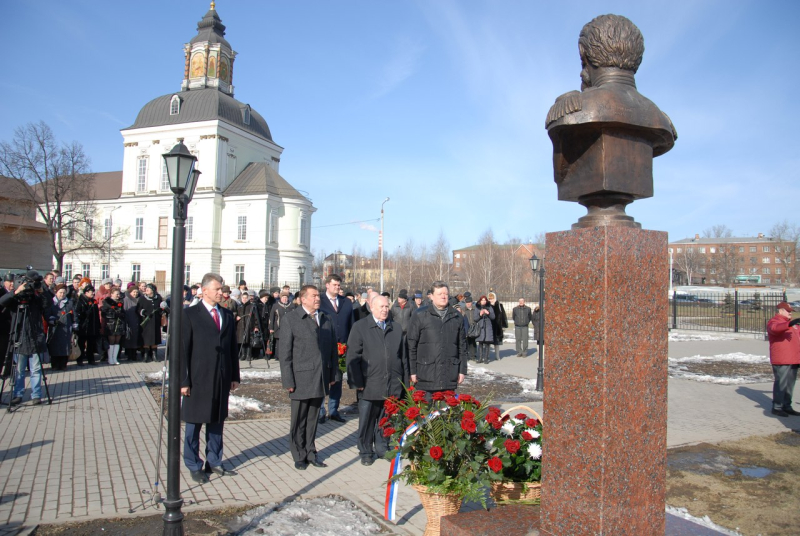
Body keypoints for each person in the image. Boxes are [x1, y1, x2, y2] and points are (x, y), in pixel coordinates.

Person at [180, 273, 240, 484]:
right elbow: (183, 350)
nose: (221, 292)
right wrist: (183, 381)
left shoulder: (227, 315)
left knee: (216, 421)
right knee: (194, 424)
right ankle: (193, 464)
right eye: (217, 289)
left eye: (222, 289)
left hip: (221, 378)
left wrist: (234, 376)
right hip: (198, 379)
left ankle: (214, 461)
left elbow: (232, 348)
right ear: (204, 291)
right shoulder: (189, 314)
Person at [278, 285, 337, 470]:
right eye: (313, 296)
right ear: (303, 299)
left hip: (320, 376)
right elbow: (285, 353)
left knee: (313, 418)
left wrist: (333, 373)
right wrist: (288, 380)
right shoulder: (291, 319)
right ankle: (299, 454)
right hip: (300, 378)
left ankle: (311, 452)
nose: (317, 299)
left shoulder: (325, 318)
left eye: (318, 296)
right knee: (299, 420)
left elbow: (332, 350)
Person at [347, 294, 407, 465]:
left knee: (386, 418)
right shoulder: (360, 327)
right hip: (369, 383)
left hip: (392, 383)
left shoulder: (396, 328)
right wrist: (356, 381)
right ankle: (366, 451)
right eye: (381, 306)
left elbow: (403, 358)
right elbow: (353, 356)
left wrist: (404, 383)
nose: (385, 310)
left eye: (387, 306)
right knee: (367, 420)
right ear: (372, 307)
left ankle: (382, 447)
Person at [408, 281, 467, 394]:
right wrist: (412, 371)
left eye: (446, 294)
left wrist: (462, 370)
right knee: (426, 405)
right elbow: (411, 346)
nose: (443, 296)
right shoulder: (420, 315)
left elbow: (462, 346)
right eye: (440, 294)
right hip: (425, 374)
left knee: (447, 405)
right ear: (431, 296)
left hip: (449, 374)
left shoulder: (456, 316)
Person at [0, 272, 49, 405]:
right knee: (19, 370)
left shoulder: (36, 298)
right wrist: (16, 292)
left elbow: (47, 304)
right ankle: (18, 394)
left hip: (35, 337)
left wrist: (41, 291)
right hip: (19, 337)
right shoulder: (16, 299)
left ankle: (36, 395)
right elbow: (2, 301)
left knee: (36, 369)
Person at [318, 274, 354, 424]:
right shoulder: (320, 301)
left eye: (339, 285)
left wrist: (350, 344)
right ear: (327, 285)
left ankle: (333, 410)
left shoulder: (346, 302)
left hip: (341, 348)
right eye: (335, 285)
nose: (338, 287)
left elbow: (351, 325)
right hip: (324, 346)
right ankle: (320, 411)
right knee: (322, 378)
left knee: (337, 380)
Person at [766, 302, 800, 417]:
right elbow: (775, 329)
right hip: (782, 359)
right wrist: (789, 324)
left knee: (790, 384)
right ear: (780, 311)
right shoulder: (775, 321)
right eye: (788, 311)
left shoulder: (793, 325)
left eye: (791, 311)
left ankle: (787, 406)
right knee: (781, 383)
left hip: (794, 359)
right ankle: (777, 407)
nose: (790, 313)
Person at [75, 285, 101, 366]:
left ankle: (91, 359)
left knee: (91, 344)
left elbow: (96, 315)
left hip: (92, 326)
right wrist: (84, 314)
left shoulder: (93, 301)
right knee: (81, 343)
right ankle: (80, 359)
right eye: (91, 292)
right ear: (86, 292)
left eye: (93, 291)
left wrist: (98, 325)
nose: (93, 293)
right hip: (83, 326)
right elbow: (77, 313)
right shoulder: (80, 301)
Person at [101, 287, 127, 365]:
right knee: (111, 341)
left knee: (117, 341)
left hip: (119, 323)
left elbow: (123, 312)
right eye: (116, 294)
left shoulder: (121, 302)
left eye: (119, 294)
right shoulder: (107, 302)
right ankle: (110, 358)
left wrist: (121, 314)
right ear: (112, 294)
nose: (118, 296)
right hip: (111, 324)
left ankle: (115, 358)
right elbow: (103, 313)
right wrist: (113, 314)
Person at [138, 283, 163, 363]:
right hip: (146, 321)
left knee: (155, 338)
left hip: (156, 321)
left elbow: (161, 307)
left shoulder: (158, 298)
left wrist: (161, 311)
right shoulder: (142, 298)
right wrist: (143, 312)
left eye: (148, 288)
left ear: (153, 290)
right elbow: (138, 308)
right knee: (146, 338)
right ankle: (145, 355)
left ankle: (154, 355)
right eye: (146, 288)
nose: (146, 289)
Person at [269, 289, 292, 362]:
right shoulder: (275, 306)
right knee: (279, 342)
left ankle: (287, 355)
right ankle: (278, 356)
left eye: (286, 297)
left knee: (288, 342)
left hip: (289, 327)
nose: (285, 299)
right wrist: (271, 328)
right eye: (283, 297)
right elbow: (271, 317)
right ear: (280, 298)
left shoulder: (291, 306)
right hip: (278, 327)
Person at [235, 291, 258, 361]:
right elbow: (236, 314)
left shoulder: (251, 306)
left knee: (248, 341)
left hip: (249, 326)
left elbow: (256, 317)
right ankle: (243, 354)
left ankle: (248, 355)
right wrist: (236, 317)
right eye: (243, 298)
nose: (244, 299)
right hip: (240, 326)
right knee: (242, 340)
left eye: (246, 298)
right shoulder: (239, 306)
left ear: (248, 298)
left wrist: (256, 326)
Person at [473, 296, 495, 364]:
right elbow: (475, 318)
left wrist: (488, 313)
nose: (483, 301)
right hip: (481, 327)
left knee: (487, 343)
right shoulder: (477, 308)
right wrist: (480, 314)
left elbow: (493, 317)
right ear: (480, 301)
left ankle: (486, 358)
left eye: (485, 300)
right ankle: (480, 358)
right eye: (482, 300)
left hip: (487, 327)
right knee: (480, 343)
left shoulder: (489, 307)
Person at [487, 292, 507, 360]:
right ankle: (487, 355)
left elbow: (503, 315)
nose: (491, 300)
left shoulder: (499, 305)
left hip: (497, 326)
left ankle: (497, 355)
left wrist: (503, 325)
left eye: (492, 298)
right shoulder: (487, 305)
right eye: (489, 299)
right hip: (489, 326)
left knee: (497, 342)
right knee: (488, 342)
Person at [463, 296, 477, 361]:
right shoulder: (463, 310)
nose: (468, 304)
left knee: (473, 342)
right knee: (466, 342)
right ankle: (467, 355)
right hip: (466, 327)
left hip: (474, 327)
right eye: (467, 302)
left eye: (469, 302)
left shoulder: (475, 309)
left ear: (472, 302)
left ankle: (473, 355)